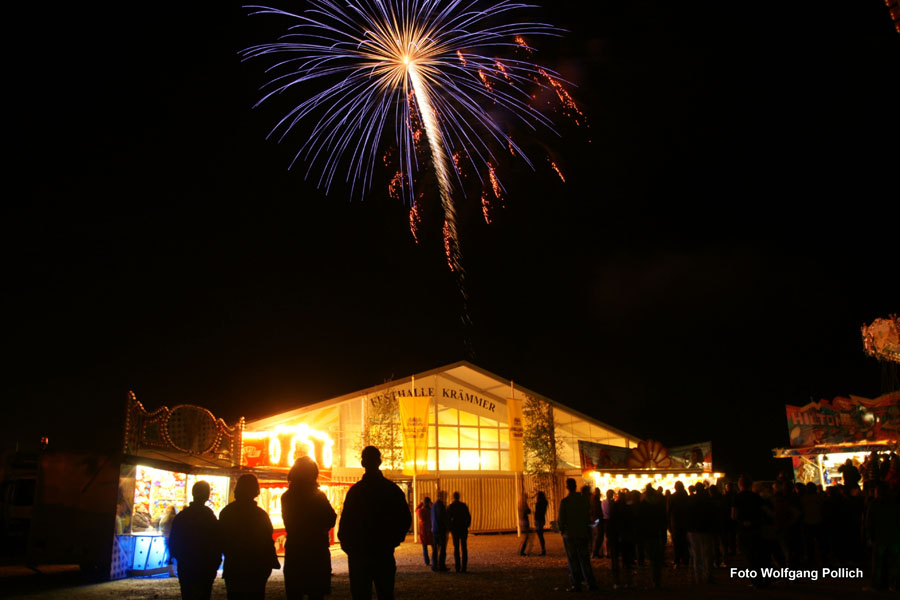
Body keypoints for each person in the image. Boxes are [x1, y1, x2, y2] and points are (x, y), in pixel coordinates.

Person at [338, 446, 412, 600]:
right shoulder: (392, 490)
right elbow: (405, 520)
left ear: (362, 462)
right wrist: (393, 540)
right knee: (385, 594)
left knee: (360, 595)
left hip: (359, 554)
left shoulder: (355, 492)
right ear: (380, 461)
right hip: (383, 553)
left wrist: (351, 548)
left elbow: (345, 525)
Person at [282, 456, 337, 600]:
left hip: (295, 550)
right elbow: (331, 518)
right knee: (316, 593)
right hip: (316, 550)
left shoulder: (287, 497)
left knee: (294, 593)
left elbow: (289, 523)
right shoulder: (318, 496)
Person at [218, 474, 279, 600]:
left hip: (234, 566)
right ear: (255, 491)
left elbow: (220, 539)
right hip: (256, 568)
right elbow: (267, 541)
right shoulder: (260, 515)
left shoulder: (227, 512)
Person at [168, 481, 222, 600]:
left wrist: (176, 556)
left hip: (186, 562)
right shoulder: (209, 516)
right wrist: (215, 561)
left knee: (187, 593)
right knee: (204, 593)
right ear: (207, 495)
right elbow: (217, 540)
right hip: (205, 564)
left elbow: (174, 539)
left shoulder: (182, 516)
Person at [558, 478, 598, 592]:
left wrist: (562, 529)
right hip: (582, 533)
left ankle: (576, 583)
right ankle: (590, 582)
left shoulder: (565, 502)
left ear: (567, 487)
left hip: (570, 534)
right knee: (585, 559)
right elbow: (588, 515)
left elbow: (561, 520)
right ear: (576, 486)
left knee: (573, 559)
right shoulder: (584, 500)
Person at [447, 491, 472, 573]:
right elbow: (468, 517)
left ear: (453, 497)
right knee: (464, 548)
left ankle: (458, 567)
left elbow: (448, 518)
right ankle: (464, 567)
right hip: (463, 529)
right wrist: (467, 525)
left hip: (455, 530)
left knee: (456, 548)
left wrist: (451, 528)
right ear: (459, 497)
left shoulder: (451, 506)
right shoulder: (464, 506)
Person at [431, 490, 450, 571]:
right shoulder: (440, 505)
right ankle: (441, 565)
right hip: (440, 530)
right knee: (442, 548)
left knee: (435, 548)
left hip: (435, 529)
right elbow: (442, 518)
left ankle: (434, 565)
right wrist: (447, 528)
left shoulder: (433, 505)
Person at [415, 497, 434, 567]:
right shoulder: (432, 511)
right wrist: (431, 503)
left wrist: (421, 503)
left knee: (424, 547)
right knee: (433, 546)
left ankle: (427, 562)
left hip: (423, 530)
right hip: (431, 529)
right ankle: (434, 560)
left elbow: (416, 509)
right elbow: (433, 507)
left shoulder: (421, 511)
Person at [159, 505, 178, 577]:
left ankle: (171, 571)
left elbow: (161, 527)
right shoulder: (174, 518)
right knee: (175, 554)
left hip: (167, 537)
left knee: (170, 554)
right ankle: (174, 570)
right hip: (173, 538)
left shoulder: (164, 518)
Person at [534, 491, 549, 556]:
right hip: (542, 519)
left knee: (540, 535)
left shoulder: (539, 503)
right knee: (541, 535)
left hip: (538, 519)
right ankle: (543, 549)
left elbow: (537, 512)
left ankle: (543, 550)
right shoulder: (545, 502)